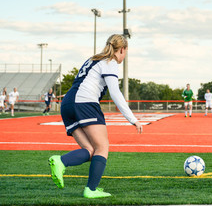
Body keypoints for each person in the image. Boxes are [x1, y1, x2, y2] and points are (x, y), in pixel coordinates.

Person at [48, 34, 143, 199]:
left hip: (68, 104)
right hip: (85, 103)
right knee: (102, 147)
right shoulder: (110, 62)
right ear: (122, 49)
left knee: (90, 150)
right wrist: (132, 119)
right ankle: (90, 189)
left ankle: (62, 161)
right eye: (126, 51)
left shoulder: (94, 59)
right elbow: (115, 92)